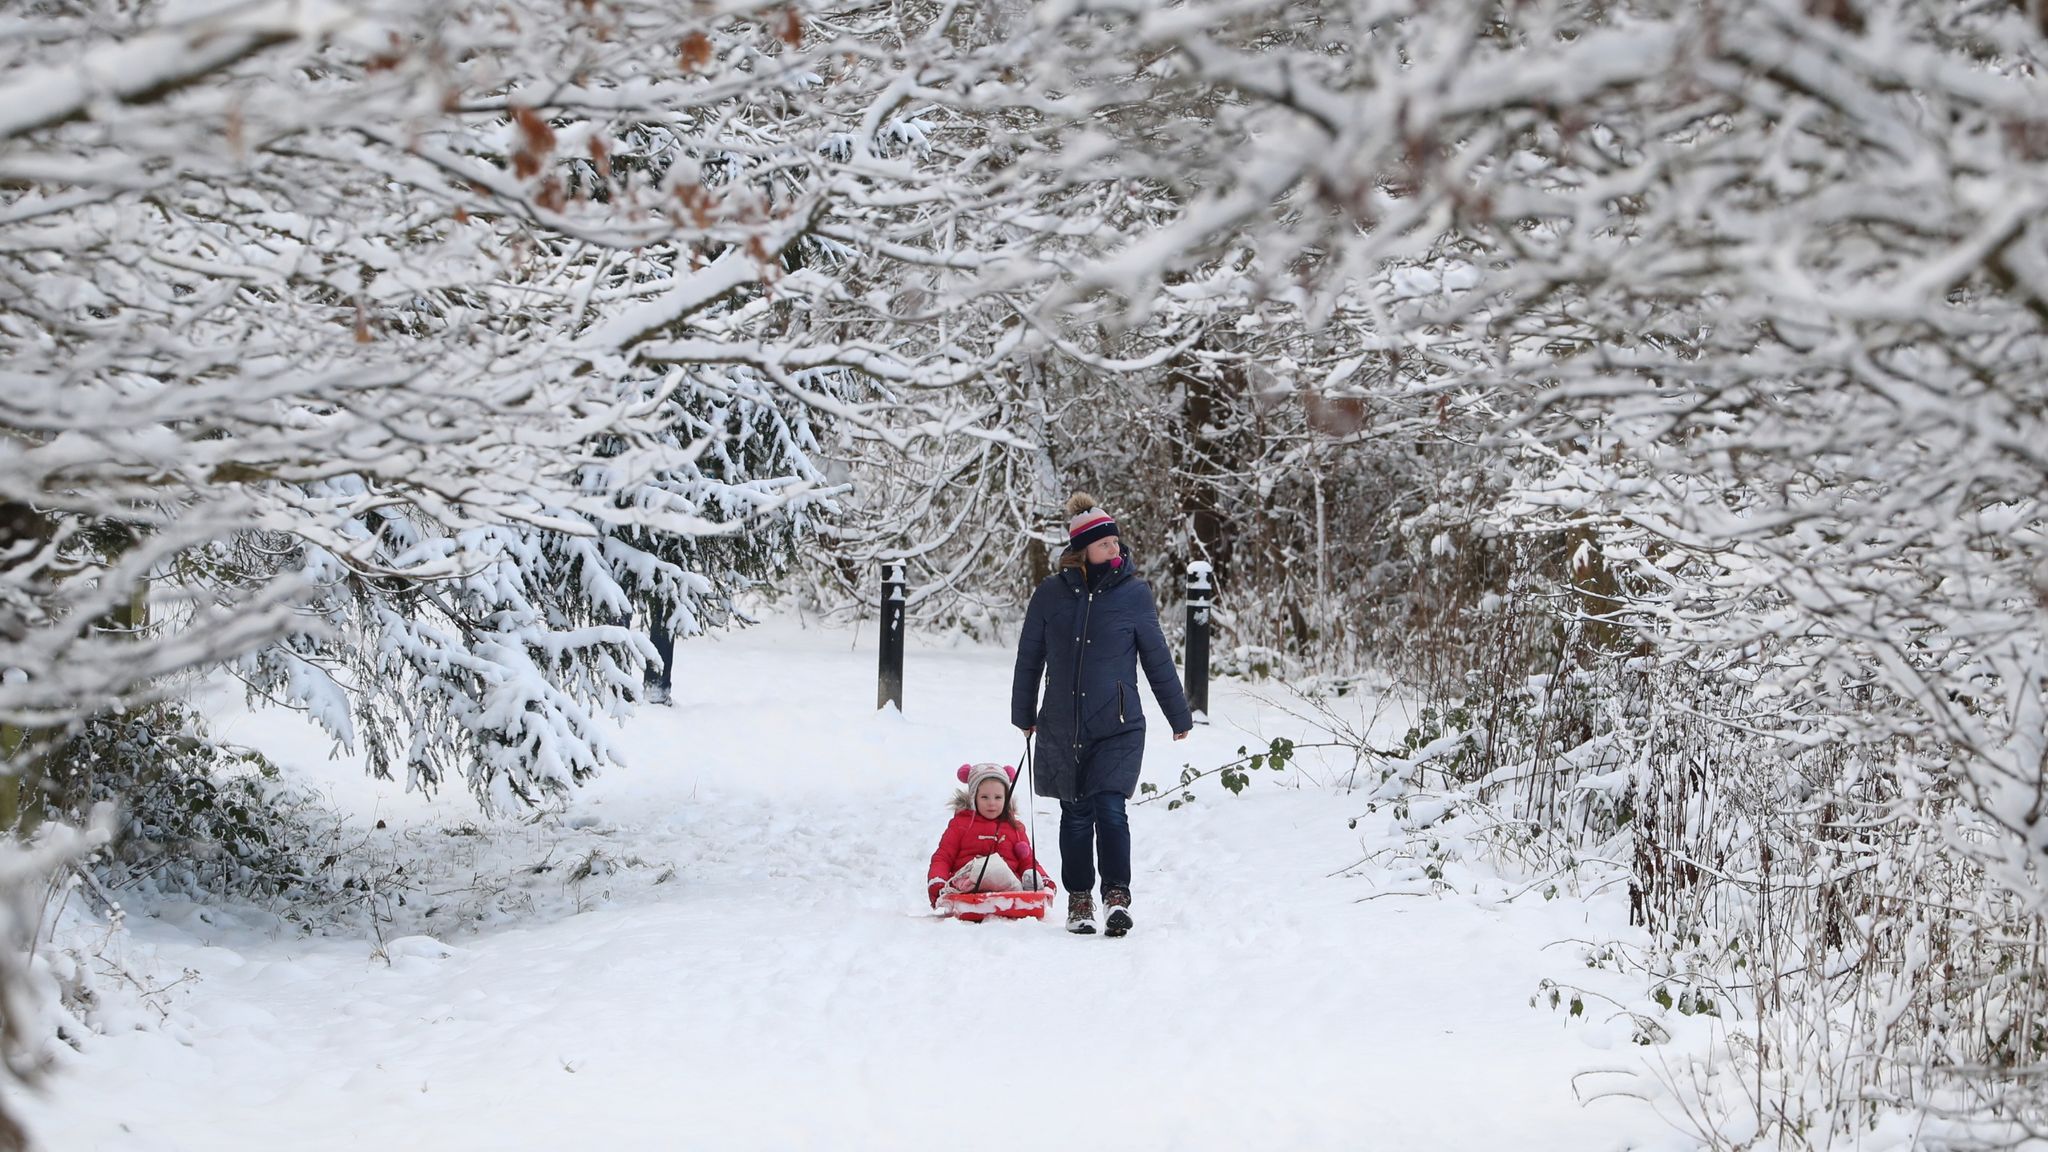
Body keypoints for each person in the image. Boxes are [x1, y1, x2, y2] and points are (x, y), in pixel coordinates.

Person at [1012, 493, 1192, 937]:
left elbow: (1157, 657)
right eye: (1105, 543)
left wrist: (1178, 714)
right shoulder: (1051, 595)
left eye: (1115, 541)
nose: (1115, 548)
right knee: (1075, 813)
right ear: (1083, 550)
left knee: (1110, 808)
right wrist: (1024, 712)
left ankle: (1116, 896)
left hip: (1118, 722)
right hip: (1062, 721)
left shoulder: (1134, 595)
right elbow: (1029, 656)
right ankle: (1079, 899)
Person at [927, 763, 1053, 907]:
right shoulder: (961, 825)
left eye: (998, 797)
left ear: (1006, 798)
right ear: (974, 798)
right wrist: (937, 882)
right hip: (967, 881)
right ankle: (1012, 891)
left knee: (1013, 873)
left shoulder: (1014, 828)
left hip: (1008, 885)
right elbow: (943, 856)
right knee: (989, 870)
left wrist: (1042, 877)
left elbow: (1027, 860)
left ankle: (1030, 887)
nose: (992, 803)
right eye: (984, 797)